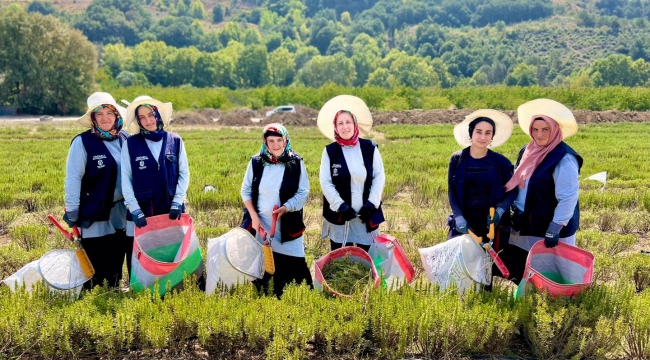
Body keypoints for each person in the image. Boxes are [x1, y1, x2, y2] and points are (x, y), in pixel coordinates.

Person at [500, 98, 582, 284]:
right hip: (525, 223)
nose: (539, 134)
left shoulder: (564, 158)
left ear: (555, 130)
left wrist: (556, 226)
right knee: (524, 268)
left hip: (548, 226)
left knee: (553, 271)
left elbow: (568, 198)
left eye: (545, 129)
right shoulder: (527, 151)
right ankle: (528, 298)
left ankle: (557, 304)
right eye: (535, 129)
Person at [63, 92, 130, 289]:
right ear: (93, 118)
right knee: (97, 254)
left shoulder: (125, 138)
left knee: (118, 249)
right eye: (99, 114)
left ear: (117, 115)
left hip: (121, 208)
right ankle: (95, 294)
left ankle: (114, 288)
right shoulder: (82, 142)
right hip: (94, 208)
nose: (105, 118)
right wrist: (72, 208)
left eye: (110, 112)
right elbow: (73, 177)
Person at [121, 95, 190, 278]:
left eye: (150, 115)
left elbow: (184, 174)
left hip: (170, 207)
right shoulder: (130, 144)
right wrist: (134, 208)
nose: (147, 120)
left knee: (172, 247)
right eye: (141, 117)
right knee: (141, 250)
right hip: (142, 209)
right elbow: (125, 179)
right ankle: (142, 287)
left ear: (158, 115)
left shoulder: (175, 140)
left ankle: (172, 284)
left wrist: (177, 201)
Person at [240, 123, 312, 298]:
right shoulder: (256, 162)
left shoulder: (296, 162)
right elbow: (246, 190)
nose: (275, 145)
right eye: (271, 140)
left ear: (285, 140)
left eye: (279, 140)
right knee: (264, 261)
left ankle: (300, 297)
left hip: (287, 223)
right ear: (265, 142)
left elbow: (303, 192)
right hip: (261, 224)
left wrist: (286, 207)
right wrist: (254, 218)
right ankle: (266, 296)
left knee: (294, 261)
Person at [318, 95, 385, 252]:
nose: (345, 127)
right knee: (341, 259)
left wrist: (371, 204)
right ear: (335, 127)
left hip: (365, 215)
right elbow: (325, 182)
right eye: (340, 123)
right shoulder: (330, 151)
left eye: (348, 122)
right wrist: (340, 206)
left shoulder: (370, 148)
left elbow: (379, 176)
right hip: (341, 216)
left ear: (355, 125)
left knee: (368, 259)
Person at [447, 109, 517, 245]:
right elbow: (452, 190)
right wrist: (458, 216)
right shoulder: (457, 159)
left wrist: (500, 211)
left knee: (489, 263)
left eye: (488, 133)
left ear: (492, 136)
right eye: (478, 132)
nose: (483, 137)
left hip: (491, 223)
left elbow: (513, 191)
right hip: (464, 220)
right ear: (471, 133)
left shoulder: (501, 162)